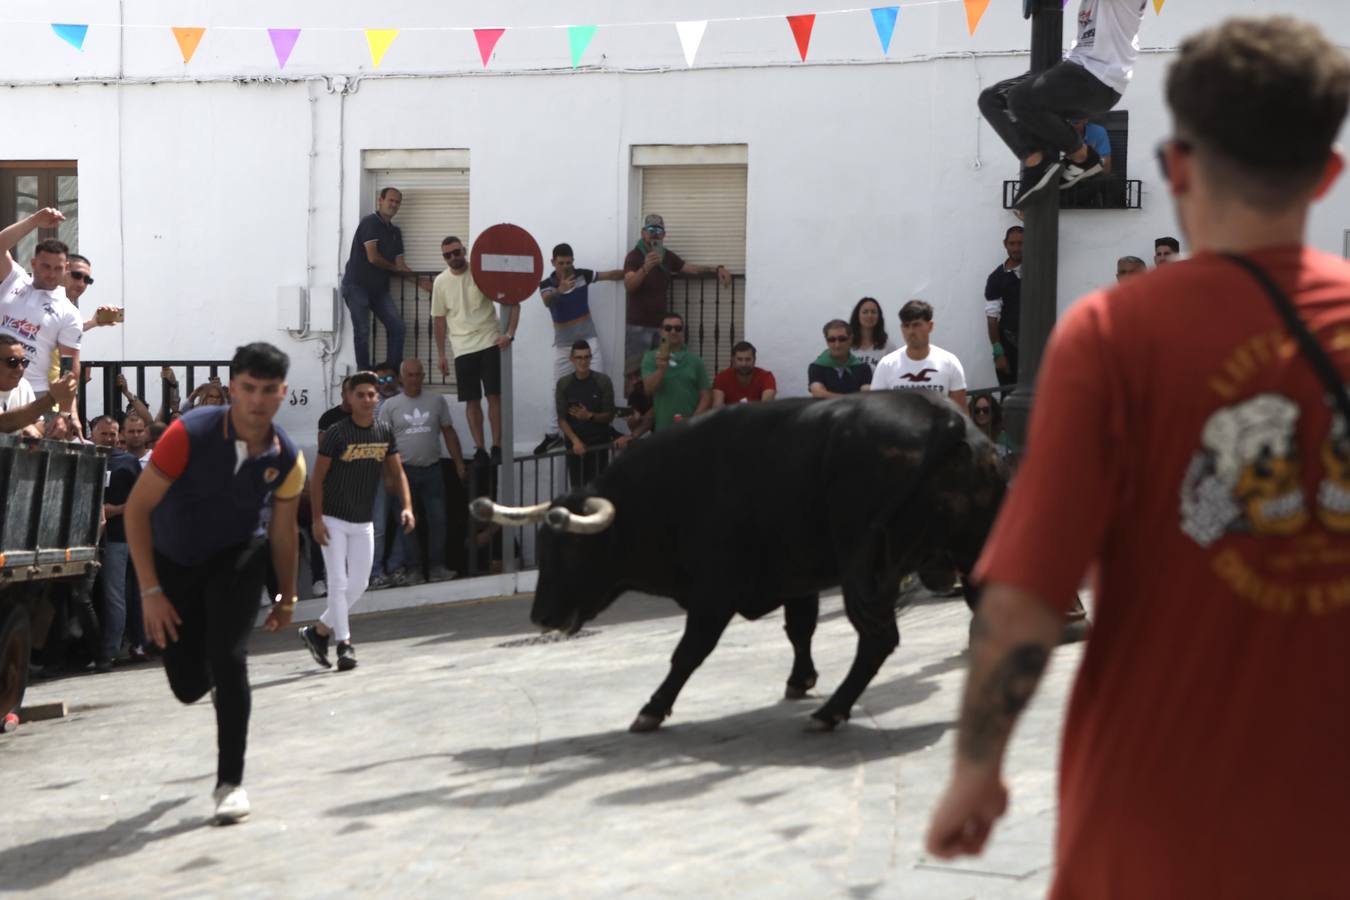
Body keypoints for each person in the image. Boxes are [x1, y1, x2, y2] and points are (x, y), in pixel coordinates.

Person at [926, 17, 1350, 898]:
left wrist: (976, 768)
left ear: (1179, 167)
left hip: (1151, 828)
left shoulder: (1111, 338)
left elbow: (1026, 599)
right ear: (1328, 173)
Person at [124, 342, 305, 825]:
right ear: (232, 389)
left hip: (238, 557)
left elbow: (285, 534)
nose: (258, 400)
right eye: (248, 388)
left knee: (230, 660)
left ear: (282, 392)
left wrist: (287, 596)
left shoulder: (287, 455)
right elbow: (138, 511)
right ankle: (210, 667)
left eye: (269, 390)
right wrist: (150, 591)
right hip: (173, 563)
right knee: (187, 686)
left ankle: (230, 784)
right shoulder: (189, 433)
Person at [979, 1, 1148, 207]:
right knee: (991, 99)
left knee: (1021, 98)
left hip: (1099, 79)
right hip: (1074, 66)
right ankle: (1036, 163)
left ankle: (1081, 157)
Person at [301, 371, 413, 672]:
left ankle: (319, 631)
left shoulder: (384, 431)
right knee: (338, 582)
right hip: (333, 518)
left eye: (371, 394)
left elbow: (398, 472)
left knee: (360, 583)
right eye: (360, 394)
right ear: (349, 398)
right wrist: (317, 521)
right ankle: (345, 645)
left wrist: (407, 507)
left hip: (362, 520)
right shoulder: (338, 433)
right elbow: (318, 479)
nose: (366, 399)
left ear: (377, 398)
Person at [432, 235, 519, 466]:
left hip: (489, 341)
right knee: (471, 401)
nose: (453, 258)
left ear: (465, 250)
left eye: (456, 252)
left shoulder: (482, 273)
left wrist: (509, 334)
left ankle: (497, 445)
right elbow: (439, 320)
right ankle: (480, 448)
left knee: (494, 396)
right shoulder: (440, 282)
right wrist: (441, 354)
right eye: (447, 255)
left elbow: (513, 299)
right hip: (461, 348)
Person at [379, 359, 464, 583]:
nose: (414, 379)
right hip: (403, 472)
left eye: (418, 375)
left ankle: (436, 568)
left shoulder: (437, 400)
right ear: (401, 378)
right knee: (408, 523)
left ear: (423, 376)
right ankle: (414, 570)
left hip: (433, 470)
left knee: (439, 520)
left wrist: (459, 462)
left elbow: (448, 431)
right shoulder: (389, 406)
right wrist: (388, 475)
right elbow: (383, 444)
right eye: (410, 375)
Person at [622, 214, 730, 391]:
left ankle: (657, 413)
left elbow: (690, 269)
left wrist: (716, 269)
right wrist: (645, 268)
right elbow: (629, 285)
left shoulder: (667, 256)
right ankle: (636, 415)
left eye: (658, 230)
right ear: (643, 233)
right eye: (650, 230)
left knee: (663, 370)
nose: (655, 234)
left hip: (662, 327)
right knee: (636, 375)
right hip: (638, 326)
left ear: (664, 235)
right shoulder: (634, 256)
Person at [535, 243, 624, 453]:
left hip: (588, 339)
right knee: (557, 386)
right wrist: (560, 290)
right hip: (564, 344)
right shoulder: (546, 284)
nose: (565, 267)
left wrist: (632, 273)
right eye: (561, 263)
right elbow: (547, 301)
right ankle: (553, 433)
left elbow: (608, 275)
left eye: (568, 262)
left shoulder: (582, 275)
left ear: (573, 261)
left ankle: (608, 428)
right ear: (553, 263)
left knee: (600, 381)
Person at [340, 187, 430, 372]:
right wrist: (395, 268)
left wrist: (421, 282)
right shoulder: (370, 222)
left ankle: (391, 373)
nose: (394, 204)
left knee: (397, 328)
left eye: (397, 202)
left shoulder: (395, 232)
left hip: (378, 290)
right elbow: (373, 257)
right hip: (356, 286)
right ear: (380, 201)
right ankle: (364, 373)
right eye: (391, 200)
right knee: (363, 331)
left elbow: (400, 265)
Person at [0, 209, 83, 404]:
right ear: (34, 263)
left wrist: (65, 412)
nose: (51, 274)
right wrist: (33, 221)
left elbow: (70, 368)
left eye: (58, 268)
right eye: (46, 266)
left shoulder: (69, 312)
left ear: (66, 269)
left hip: (33, 394)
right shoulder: (13, 278)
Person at [94, 415, 142, 671]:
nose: (110, 439)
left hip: (117, 538)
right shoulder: (86, 457)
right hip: (88, 540)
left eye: (113, 434)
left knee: (115, 595)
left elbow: (141, 498)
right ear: (93, 434)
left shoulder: (128, 462)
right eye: (105, 434)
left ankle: (110, 651)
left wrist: (113, 510)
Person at [872, 300, 968, 412]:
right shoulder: (886, 365)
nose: (911, 331)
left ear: (930, 326)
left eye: (916, 325)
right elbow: (877, 412)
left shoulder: (949, 363)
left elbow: (961, 414)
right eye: (906, 326)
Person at [555, 339, 617, 487]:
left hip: (599, 446)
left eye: (586, 357)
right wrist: (575, 441)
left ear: (590, 358)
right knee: (578, 491)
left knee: (598, 491)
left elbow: (610, 414)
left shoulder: (603, 381)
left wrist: (589, 415)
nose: (583, 361)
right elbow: (562, 419)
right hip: (576, 449)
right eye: (579, 357)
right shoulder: (563, 384)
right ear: (572, 359)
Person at [640, 312, 711, 430]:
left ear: (682, 332)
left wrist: (694, 420)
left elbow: (706, 395)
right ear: (661, 331)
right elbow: (648, 390)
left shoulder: (695, 360)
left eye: (678, 328)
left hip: (690, 431)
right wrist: (661, 369)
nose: (673, 331)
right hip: (663, 430)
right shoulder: (650, 358)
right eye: (668, 328)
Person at [0, 336, 75, 436]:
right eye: (12, 362)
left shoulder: (24, 385)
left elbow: (36, 422)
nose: (20, 368)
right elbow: (3, 423)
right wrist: (51, 399)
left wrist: (43, 429)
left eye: (24, 362)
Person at [985, 226, 1023, 387]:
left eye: (1021, 243)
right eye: (1012, 243)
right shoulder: (996, 278)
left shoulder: (1038, 268)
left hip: (1037, 346)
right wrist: (998, 353)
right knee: (1009, 396)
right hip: (1009, 345)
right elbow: (992, 318)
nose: (1016, 248)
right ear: (1005, 244)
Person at [807, 320, 873, 397]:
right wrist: (850, 400)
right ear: (826, 341)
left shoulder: (863, 368)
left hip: (856, 409)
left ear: (850, 339)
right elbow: (818, 393)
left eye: (842, 339)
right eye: (832, 339)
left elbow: (867, 394)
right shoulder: (817, 367)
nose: (837, 345)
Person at [712, 341, 777, 407]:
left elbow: (766, 408)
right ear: (733, 360)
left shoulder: (766, 377)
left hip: (758, 417)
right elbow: (717, 408)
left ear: (754, 360)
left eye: (748, 359)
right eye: (740, 359)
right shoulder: (722, 378)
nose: (744, 364)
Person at [847, 297, 894, 374]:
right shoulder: (847, 345)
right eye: (865, 312)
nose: (869, 315)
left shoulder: (888, 346)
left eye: (873, 312)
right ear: (857, 315)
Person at [969, 393, 1013, 461]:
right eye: (977, 411)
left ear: (993, 412)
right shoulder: (970, 436)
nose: (981, 413)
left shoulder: (1003, 437)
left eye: (986, 410)